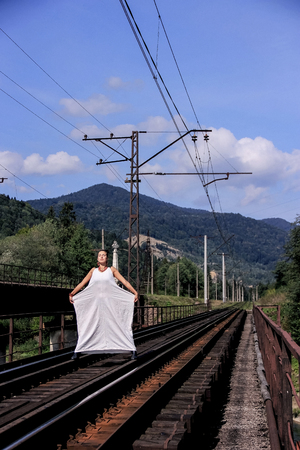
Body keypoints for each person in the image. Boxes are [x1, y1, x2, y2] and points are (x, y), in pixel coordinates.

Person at [69, 250, 138, 360]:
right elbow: (83, 283)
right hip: (95, 305)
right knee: (88, 324)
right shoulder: (93, 271)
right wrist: (73, 293)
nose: (101, 257)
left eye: (104, 255)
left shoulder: (112, 270)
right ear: (97, 258)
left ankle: (132, 349)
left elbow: (124, 282)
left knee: (120, 324)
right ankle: (78, 350)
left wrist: (134, 292)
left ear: (107, 258)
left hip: (110, 304)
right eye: (100, 255)